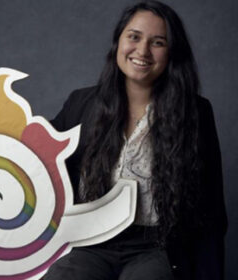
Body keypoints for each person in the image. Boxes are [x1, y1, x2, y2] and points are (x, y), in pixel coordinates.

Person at [44, 1, 227, 279]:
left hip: (156, 247)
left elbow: (211, 210)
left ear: (171, 52)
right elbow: (40, 160)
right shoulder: (81, 103)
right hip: (88, 243)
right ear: (118, 40)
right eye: (134, 37)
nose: (142, 51)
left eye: (158, 42)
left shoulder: (196, 113)